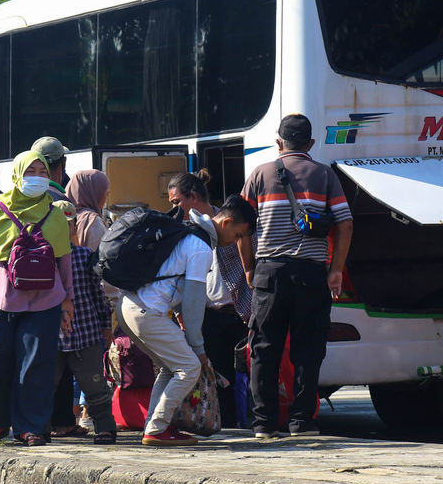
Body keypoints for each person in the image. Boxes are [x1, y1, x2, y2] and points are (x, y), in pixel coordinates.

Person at [239, 114, 354, 438]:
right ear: (311, 144)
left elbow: (241, 227)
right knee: (308, 348)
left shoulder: (259, 174)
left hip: (269, 274)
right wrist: (335, 270)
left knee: (264, 349)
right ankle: (302, 422)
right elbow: (345, 223)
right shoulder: (325, 175)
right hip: (311, 275)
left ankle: (263, 423)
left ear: (279, 143)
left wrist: (249, 267)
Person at [116, 195, 257, 446]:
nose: (237, 242)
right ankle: (157, 428)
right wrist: (199, 350)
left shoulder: (188, 234)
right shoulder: (200, 248)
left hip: (128, 306)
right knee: (189, 367)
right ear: (225, 223)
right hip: (147, 312)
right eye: (238, 235)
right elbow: (193, 305)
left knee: (171, 368)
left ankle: (156, 424)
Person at [0, 150, 76, 447]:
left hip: (45, 302)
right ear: (17, 174)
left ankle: (30, 427)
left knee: (36, 366)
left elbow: (64, 261)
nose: (37, 177)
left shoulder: (57, 214)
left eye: (43, 172)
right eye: (30, 171)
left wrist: (67, 301)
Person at [168, 171, 252, 427]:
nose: (172, 209)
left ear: (193, 197)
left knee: (245, 379)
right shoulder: (188, 232)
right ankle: (223, 425)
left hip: (239, 313)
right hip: (208, 317)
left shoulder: (231, 220)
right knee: (218, 378)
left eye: (175, 203)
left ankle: (247, 425)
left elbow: (249, 265)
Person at [49, 199, 118, 444]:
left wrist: (105, 326)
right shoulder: (43, 259)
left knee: (94, 384)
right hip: (53, 337)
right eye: (56, 225)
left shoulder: (84, 255)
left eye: (67, 225)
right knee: (47, 384)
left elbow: (97, 294)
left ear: (74, 229)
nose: (63, 230)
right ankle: (38, 427)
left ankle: (105, 428)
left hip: (86, 333)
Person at [65, 169, 110, 251]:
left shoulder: (61, 214)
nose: (106, 199)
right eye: (106, 193)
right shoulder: (93, 222)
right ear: (94, 194)